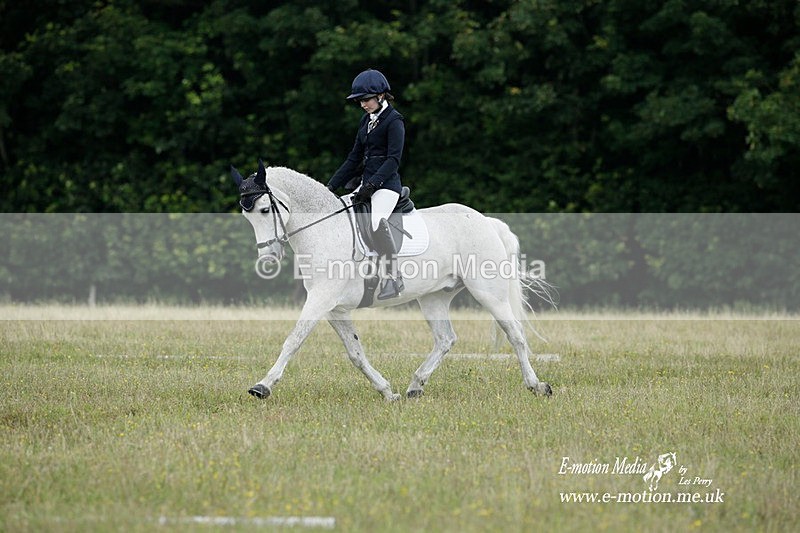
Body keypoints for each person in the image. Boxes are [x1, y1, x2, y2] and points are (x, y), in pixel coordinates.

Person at [327, 69, 405, 300]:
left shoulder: (394, 121)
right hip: (366, 184)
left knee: (375, 221)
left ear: (381, 96)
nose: (362, 104)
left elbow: (394, 160)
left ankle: (393, 277)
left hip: (387, 186)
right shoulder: (366, 121)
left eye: (366, 100)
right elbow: (353, 158)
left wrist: (371, 186)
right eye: (360, 100)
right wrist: (330, 187)